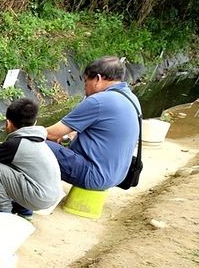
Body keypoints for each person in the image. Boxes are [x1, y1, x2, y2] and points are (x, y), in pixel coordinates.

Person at [45, 56, 141, 190]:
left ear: (98, 79)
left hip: (94, 175)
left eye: (85, 82)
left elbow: (51, 134)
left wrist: (21, 132)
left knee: (30, 145)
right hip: (117, 176)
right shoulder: (130, 98)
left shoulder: (99, 101)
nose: (85, 88)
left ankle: (26, 202)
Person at [0, 97, 61, 226]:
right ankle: (24, 211)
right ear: (34, 122)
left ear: (8, 123)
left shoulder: (15, 144)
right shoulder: (39, 140)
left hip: (39, 198)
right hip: (51, 196)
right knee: (17, 167)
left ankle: (3, 216)